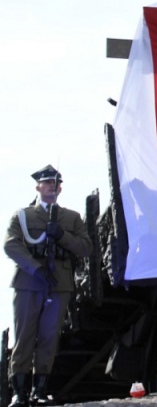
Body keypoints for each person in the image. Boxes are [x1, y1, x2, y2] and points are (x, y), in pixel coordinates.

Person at [4, 166, 92, 407]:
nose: (52, 186)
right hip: (29, 282)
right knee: (24, 336)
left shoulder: (71, 217)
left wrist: (62, 235)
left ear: (60, 188)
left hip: (58, 283)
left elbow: (85, 249)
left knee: (49, 337)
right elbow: (11, 245)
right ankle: (19, 392)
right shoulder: (23, 216)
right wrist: (36, 268)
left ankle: (39, 391)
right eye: (47, 183)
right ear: (38, 187)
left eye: (55, 183)